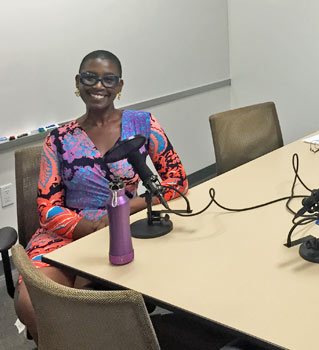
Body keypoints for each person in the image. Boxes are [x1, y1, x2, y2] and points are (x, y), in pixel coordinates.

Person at [14, 50, 189, 343]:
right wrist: (90, 228)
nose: (99, 86)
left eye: (109, 79)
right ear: (78, 82)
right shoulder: (58, 139)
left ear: (120, 86)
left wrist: (127, 209)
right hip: (65, 233)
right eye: (90, 78)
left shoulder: (143, 125)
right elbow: (47, 207)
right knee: (34, 301)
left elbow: (177, 182)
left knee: (99, 304)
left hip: (123, 230)